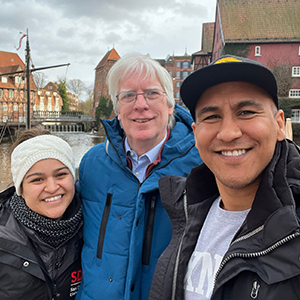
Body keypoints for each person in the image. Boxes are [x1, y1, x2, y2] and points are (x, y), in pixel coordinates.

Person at [149, 55, 300, 300]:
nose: (229, 133)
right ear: (196, 135)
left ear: (279, 125)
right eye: (211, 117)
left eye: (247, 112)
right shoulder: (185, 209)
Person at [76, 53, 202, 300]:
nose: (140, 104)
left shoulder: (202, 166)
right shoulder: (92, 163)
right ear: (117, 109)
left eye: (152, 93)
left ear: (170, 105)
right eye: (128, 96)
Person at [0, 126, 83, 300]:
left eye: (60, 174)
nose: (52, 188)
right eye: (37, 179)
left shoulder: (92, 227)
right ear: (20, 188)